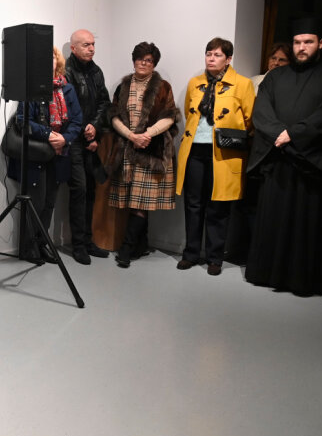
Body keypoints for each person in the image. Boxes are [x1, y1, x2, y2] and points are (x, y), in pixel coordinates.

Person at [245, 18, 322, 296]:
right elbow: (261, 111)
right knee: (273, 220)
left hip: (310, 166)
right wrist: (279, 133)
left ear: (321, 43)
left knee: (307, 226)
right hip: (278, 162)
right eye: (297, 42)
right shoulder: (275, 77)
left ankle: (302, 280)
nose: (301, 47)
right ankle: (265, 273)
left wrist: (292, 134)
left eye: (308, 42)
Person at [175, 38, 255, 275]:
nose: (211, 58)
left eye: (217, 55)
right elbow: (189, 112)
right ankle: (190, 253)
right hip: (195, 150)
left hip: (224, 152)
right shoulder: (195, 83)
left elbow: (250, 119)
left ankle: (215, 258)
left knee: (218, 205)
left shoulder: (242, 84)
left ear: (228, 59)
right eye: (208, 54)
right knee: (193, 204)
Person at [105, 42, 181, 268]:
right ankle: (141, 245)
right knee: (134, 201)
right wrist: (131, 136)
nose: (143, 63)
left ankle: (127, 249)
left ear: (154, 64)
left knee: (140, 202)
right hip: (128, 149)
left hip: (152, 151)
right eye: (140, 59)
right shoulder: (124, 86)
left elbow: (170, 117)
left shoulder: (163, 86)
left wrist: (147, 134)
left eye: (148, 60)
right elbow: (114, 116)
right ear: (134, 60)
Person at [7, 47, 83, 265]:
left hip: (59, 153)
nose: (48, 61)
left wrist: (64, 139)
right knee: (36, 202)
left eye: (52, 57)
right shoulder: (30, 89)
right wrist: (49, 134)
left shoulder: (67, 88)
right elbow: (23, 120)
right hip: (37, 154)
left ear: (57, 61)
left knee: (50, 202)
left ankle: (42, 244)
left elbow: (77, 120)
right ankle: (29, 248)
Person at [64, 29, 111, 263]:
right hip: (73, 141)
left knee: (91, 190)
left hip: (91, 139)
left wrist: (95, 129)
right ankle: (78, 245)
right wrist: (86, 130)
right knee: (79, 190)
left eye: (93, 44)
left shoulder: (96, 71)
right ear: (73, 48)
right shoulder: (65, 72)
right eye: (86, 45)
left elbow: (104, 103)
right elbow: (67, 108)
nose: (91, 49)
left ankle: (88, 241)